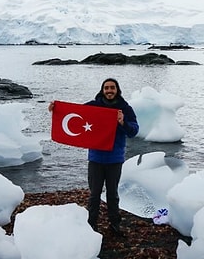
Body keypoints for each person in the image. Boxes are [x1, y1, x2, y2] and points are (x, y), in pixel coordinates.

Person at [49, 78, 139, 236]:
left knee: (113, 194)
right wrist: (56, 108)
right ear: (102, 90)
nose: (109, 90)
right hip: (96, 159)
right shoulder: (94, 106)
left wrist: (122, 122)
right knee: (94, 194)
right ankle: (91, 225)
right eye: (106, 88)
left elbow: (133, 132)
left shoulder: (125, 109)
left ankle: (115, 224)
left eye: (112, 88)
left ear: (117, 90)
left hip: (115, 159)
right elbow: (73, 113)